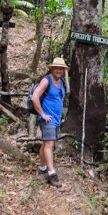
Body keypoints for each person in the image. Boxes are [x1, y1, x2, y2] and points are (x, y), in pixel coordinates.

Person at [31, 57, 68, 188]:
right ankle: (52, 173)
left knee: (46, 143)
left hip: (56, 119)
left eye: (61, 69)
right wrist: (42, 114)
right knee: (49, 144)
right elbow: (34, 97)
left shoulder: (61, 81)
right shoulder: (46, 80)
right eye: (56, 68)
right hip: (47, 119)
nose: (59, 70)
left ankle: (42, 168)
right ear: (52, 68)